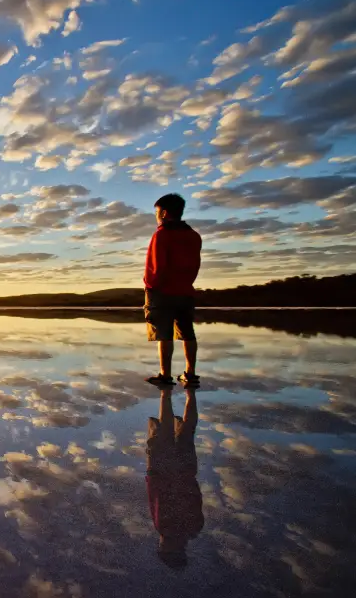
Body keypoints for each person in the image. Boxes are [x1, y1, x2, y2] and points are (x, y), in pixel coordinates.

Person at [143, 193, 202, 387]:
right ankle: (190, 373)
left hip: (162, 292)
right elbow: (195, 264)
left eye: (157, 212)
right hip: (185, 291)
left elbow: (155, 266)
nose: (156, 216)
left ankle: (165, 374)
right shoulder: (193, 236)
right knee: (187, 332)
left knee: (164, 333)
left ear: (165, 212)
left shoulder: (162, 234)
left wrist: (150, 285)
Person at [146, 386, 204, 570]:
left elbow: (196, 497)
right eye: (163, 547)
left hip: (186, 470)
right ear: (174, 550)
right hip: (164, 471)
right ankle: (165, 390)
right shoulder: (164, 526)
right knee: (163, 433)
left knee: (187, 431)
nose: (160, 543)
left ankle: (190, 390)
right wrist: (151, 475)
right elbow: (156, 498)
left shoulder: (195, 527)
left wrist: (188, 476)